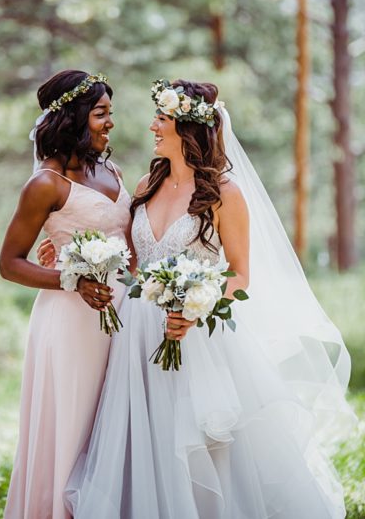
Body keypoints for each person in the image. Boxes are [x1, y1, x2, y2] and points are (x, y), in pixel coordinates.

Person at [65, 79, 352, 518]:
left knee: (203, 447)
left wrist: (193, 310)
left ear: (186, 128)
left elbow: (240, 276)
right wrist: (70, 254)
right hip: (137, 336)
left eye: (160, 119)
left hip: (196, 339)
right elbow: (130, 261)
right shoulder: (146, 183)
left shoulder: (223, 193)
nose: (151, 128)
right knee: (148, 439)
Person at [0, 71, 130, 519]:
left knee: (111, 422)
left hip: (122, 315)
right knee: (72, 425)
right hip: (70, 321)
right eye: (100, 113)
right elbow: (10, 263)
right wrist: (71, 279)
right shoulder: (46, 184)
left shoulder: (109, 168)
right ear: (74, 117)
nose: (110, 122)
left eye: (110, 112)